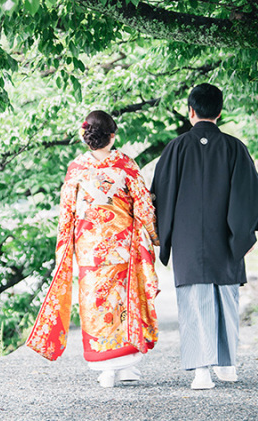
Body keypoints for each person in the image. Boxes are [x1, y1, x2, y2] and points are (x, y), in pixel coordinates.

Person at [151, 83, 258, 390]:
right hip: (227, 236)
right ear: (220, 112)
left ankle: (202, 372)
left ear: (191, 111)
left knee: (195, 302)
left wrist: (161, 234)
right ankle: (227, 365)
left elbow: (159, 195)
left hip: (187, 239)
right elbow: (249, 196)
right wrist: (244, 233)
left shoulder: (175, 148)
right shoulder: (235, 147)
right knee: (226, 299)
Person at [26, 110, 159, 388]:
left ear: (85, 137)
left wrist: (64, 248)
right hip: (121, 246)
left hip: (89, 250)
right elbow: (144, 206)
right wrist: (155, 237)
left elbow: (67, 214)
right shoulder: (125, 164)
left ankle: (107, 368)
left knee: (95, 303)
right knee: (124, 301)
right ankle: (125, 365)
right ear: (113, 136)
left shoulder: (76, 168)